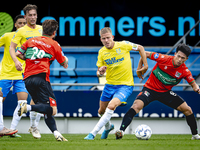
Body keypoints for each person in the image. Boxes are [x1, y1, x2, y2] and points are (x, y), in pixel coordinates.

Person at [115, 43, 200, 140]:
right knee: (136, 106)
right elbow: (144, 53)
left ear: (186, 59)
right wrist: (140, 68)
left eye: (183, 58)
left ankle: (195, 135)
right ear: (175, 54)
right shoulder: (163, 58)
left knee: (188, 110)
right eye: (178, 56)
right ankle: (121, 131)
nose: (180, 59)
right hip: (150, 89)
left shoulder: (184, 71)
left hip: (165, 92)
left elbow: (193, 84)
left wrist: (196, 88)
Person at [84, 27, 148, 140]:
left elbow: (141, 48)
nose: (106, 40)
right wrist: (100, 72)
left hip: (125, 85)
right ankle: (108, 127)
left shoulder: (124, 45)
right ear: (101, 40)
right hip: (109, 85)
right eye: (104, 39)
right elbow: (98, 72)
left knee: (111, 106)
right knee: (101, 111)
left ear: (112, 37)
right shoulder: (102, 52)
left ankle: (92, 133)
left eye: (108, 38)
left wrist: (144, 65)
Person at [16, 19, 68, 141]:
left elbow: (18, 54)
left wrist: (30, 59)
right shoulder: (54, 44)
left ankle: (56, 133)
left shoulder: (30, 40)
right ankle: (27, 108)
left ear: (43, 30)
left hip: (27, 79)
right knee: (52, 110)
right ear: (54, 32)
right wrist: (65, 58)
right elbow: (64, 64)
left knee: (43, 107)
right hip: (41, 77)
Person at [9, 4, 42, 139]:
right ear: (25, 16)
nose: (33, 17)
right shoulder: (21, 31)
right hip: (27, 70)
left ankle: (32, 127)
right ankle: (17, 128)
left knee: (39, 100)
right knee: (27, 101)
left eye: (34, 15)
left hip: (41, 69)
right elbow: (12, 48)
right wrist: (17, 61)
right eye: (30, 15)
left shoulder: (42, 29)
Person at [0, 15, 26, 138]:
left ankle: (12, 130)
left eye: (24, 23)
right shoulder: (7, 36)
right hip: (5, 74)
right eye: (20, 23)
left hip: (21, 75)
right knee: (0, 101)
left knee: (23, 103)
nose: (22, 25)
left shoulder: (28, 39)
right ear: (15, 25)